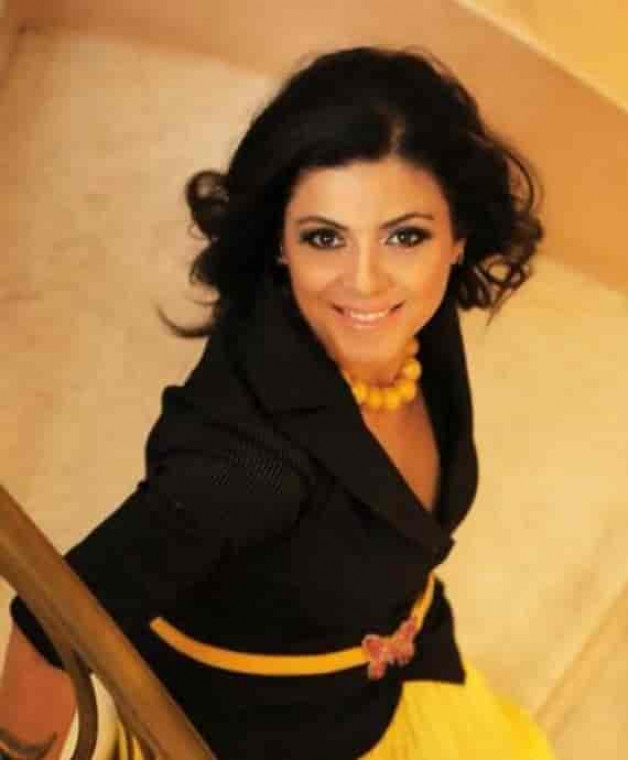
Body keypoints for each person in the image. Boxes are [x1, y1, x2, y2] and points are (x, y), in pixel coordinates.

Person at [0, 45, 553, 760]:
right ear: (281, 246)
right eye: (325, 237)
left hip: (395, 676)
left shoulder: (421, 324)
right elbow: (51, 629)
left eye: (405, 236)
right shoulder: (246, 463)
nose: (365, 282)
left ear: (457, 240)